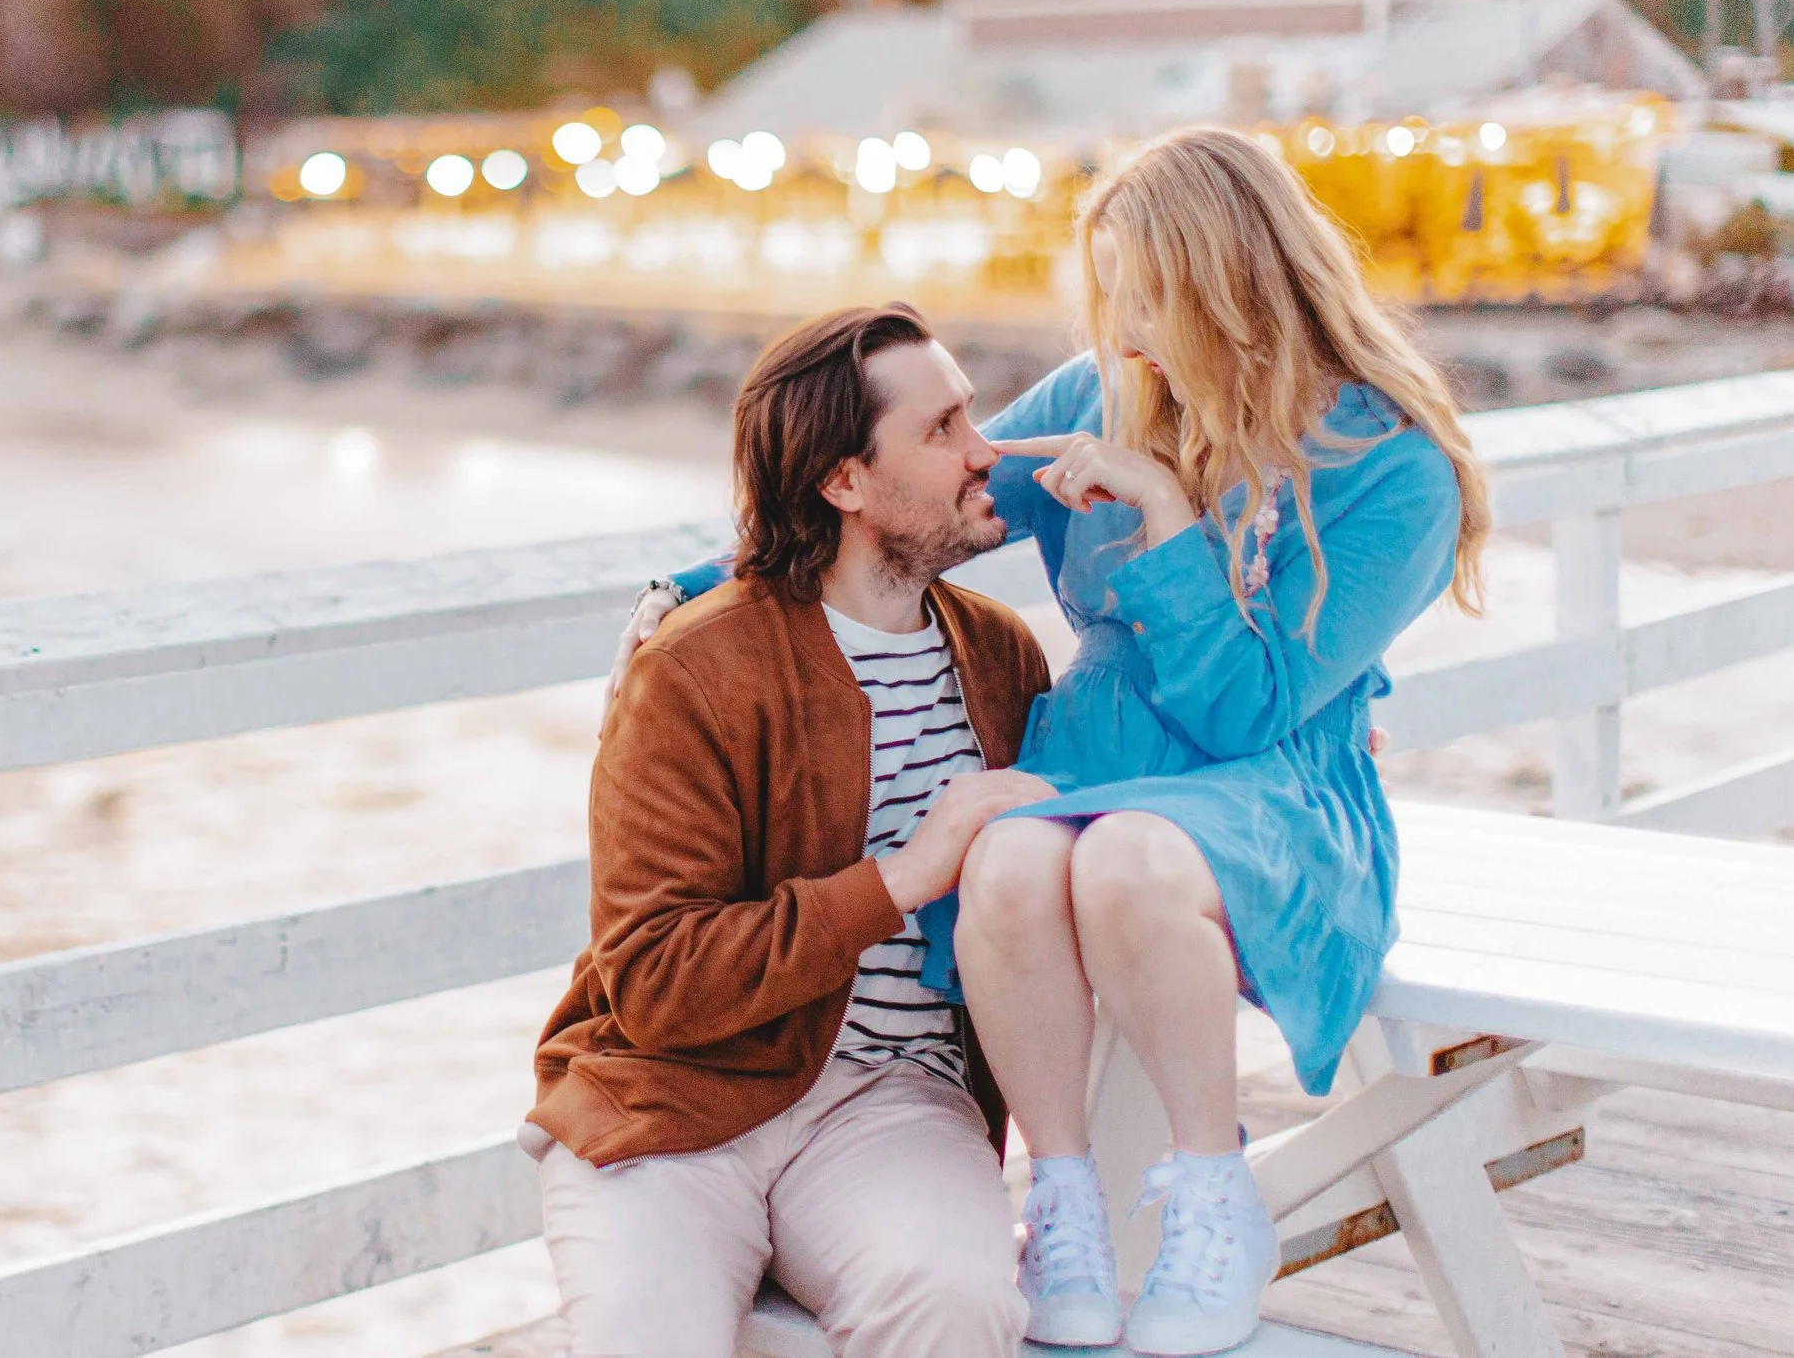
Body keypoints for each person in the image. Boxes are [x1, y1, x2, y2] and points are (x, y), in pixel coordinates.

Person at [615, 126, 1489, 1357]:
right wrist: (699, 584)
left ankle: (1212, 1192)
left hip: (1265, 776)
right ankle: (1063, 1196)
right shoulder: (1103, 389)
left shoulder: (1396, 472)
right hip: (1094, 756)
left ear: (1234, 279)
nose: (1121, 327)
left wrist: (1167, 508)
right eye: (1108, 292)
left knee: (1125, 854)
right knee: (1011, 856)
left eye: (1146, 292)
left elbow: (1246, 709)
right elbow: (924, 497)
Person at [526, 303, 1060, 1358]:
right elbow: (656, 977)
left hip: (895, 1102)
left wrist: (1306, 735)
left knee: (957, 1307)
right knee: (644, 1338)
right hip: (674, 1102)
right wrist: (900, 878)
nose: (984, 451)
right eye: (942, 427)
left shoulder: (1001, 656)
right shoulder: (693, 667)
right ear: (844, 481)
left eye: (970, 415)